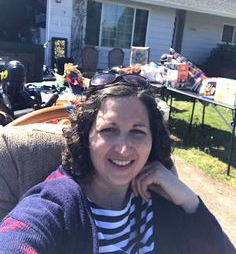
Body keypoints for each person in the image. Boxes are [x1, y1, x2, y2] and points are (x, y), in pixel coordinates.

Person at [0, 73, 235, 253]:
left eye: (138, 132)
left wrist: (189, 201)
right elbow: (20, 236)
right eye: (109, 130)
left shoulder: (162, 197)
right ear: (85, 135)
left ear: (153, 140)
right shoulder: (57, 203)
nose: (123, 149)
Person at [0, 60, 42, 125]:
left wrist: (38, 110)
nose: (17, 86)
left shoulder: (28, 94)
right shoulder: (1, 97)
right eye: (14, 81)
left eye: (20, 82)